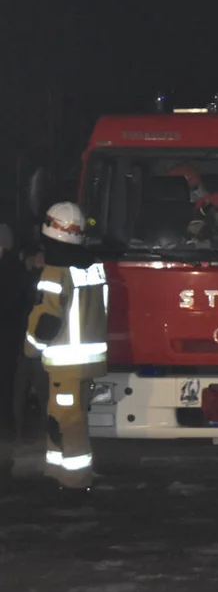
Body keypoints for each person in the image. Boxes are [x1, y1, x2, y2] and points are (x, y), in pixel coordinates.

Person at [24, 202, 108, 497]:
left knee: (66, 421)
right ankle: (56, 470)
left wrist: (31, 348)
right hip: (89, 360)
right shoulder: (93, 266)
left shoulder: (54, 272)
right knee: (68, 417)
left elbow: (47, 320)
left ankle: (74, 480)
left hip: (65, 363)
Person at [0, 224, 25, 483]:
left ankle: (5, 458)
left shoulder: (10, 272)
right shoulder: (15, 269)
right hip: (8, 346)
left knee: (4, 400)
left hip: (5, 347)